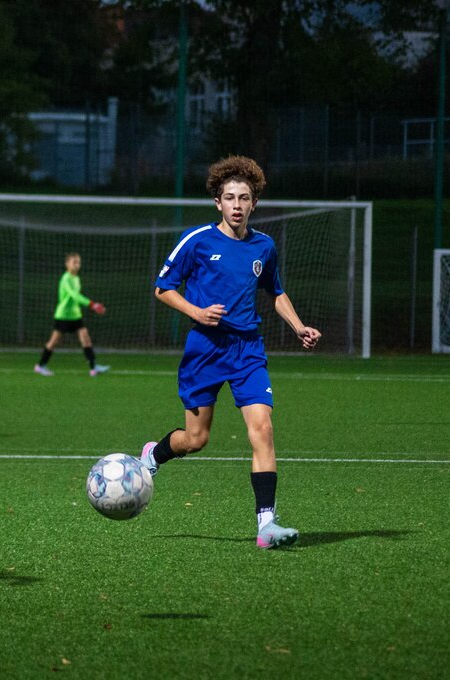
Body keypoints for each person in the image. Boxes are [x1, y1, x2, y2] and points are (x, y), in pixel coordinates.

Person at [138, 155, 321, 549]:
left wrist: (298, 326)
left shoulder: (264, 246)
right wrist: (196, 312)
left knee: (263, 428)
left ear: (254, 203)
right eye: (230, 198)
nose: (237, 205)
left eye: (244, 198)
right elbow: (162, 288)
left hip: (247, 350)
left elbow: (275, 292)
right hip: (205, 350)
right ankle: (155, 454)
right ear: (217, 202)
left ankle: (266, 525)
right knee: (196, 438)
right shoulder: (197, 241)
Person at [33, 252, 109, 377]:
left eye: (78, 262)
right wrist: (92, 304)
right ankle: (40, 366)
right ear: (67, 264)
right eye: (74, 262)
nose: (77, 265)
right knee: (53, 341)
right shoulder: (66, 278)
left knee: (86, 338)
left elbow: (76, 298)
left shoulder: (77, 278)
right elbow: (74, 295)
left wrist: (89, 305)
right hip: (63, 315)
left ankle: (93, 367)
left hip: (75, 315)